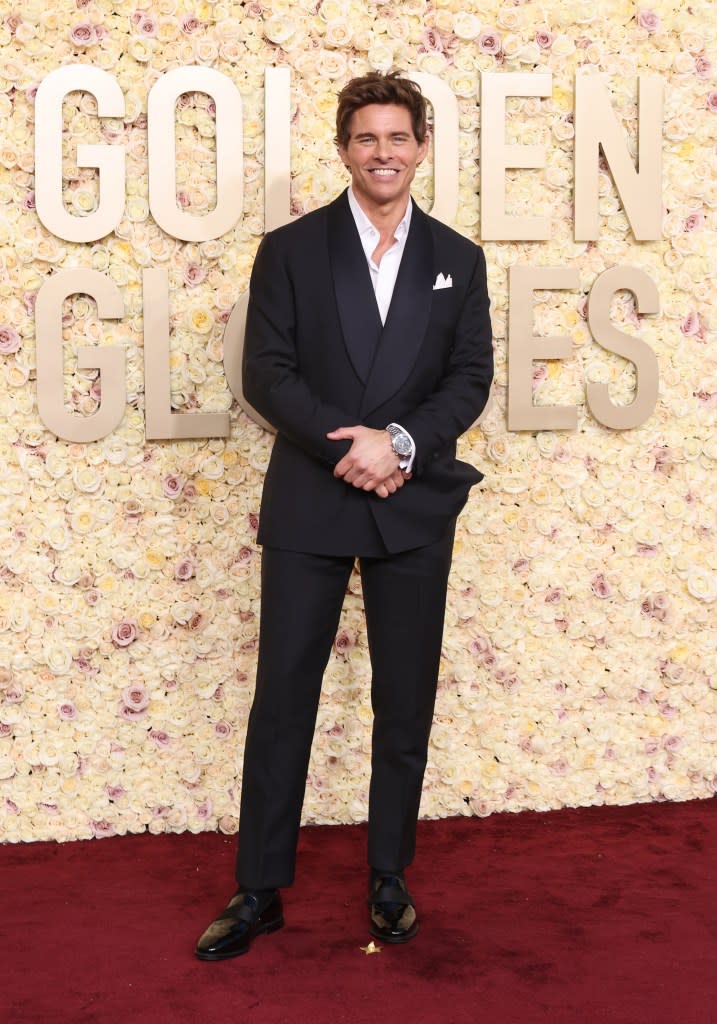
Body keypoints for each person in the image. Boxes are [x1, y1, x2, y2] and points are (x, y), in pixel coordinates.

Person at [195, 71, 493, 960]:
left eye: (398, 138)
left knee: (404, 703)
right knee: (282, 698)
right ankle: (258, 889)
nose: (383, 154)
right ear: (343, 150)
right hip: (313, 500)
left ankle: (389, 876)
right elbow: (267, 372)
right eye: (366, 139)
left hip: (410, 504)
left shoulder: (457, 258)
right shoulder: (289, 249)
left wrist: (398, 443)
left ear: (421, 148)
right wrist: (348, 451)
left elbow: (469, 378)